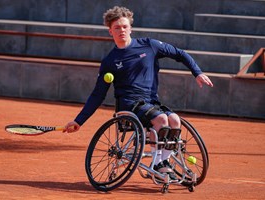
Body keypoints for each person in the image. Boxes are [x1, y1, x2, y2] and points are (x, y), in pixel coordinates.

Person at [64, 6, 213, 178]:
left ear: (131, 28)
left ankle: (163, 163)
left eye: (125, 27)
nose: (122, 30)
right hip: (128, 105)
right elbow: (98, 95)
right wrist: (79, 121)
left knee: (174, 119)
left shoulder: (149, 45)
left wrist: (198, 72)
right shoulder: (109, 61)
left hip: (151, 102)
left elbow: (179, 54)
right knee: (162, 119)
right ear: (110, 31)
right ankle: (157, 165)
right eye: (117, 28)